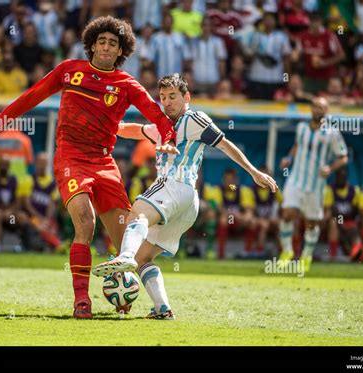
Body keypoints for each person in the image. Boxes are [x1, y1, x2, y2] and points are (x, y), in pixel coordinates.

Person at [0, 16, 178, 320]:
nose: (107, 47)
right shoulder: (70, 71)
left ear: (120, 51)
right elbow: (32, 96)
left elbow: (158, 116)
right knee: (85, 222)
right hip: (71, 158)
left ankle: (130, 295)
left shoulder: (127, 85)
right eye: (103, 41)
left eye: (113, 43)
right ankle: (82, 301)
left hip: (105, 163)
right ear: (92, 44)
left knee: (126, 246)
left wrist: (169, 138)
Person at [92, 73, 277, 319]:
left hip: (175, 185)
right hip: (187, 205)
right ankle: (163, 309)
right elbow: (136, 130)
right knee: (144, 258)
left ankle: (124, 256)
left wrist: (253, 171)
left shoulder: (193, 119)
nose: (167, 102)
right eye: (163, 98)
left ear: (186, 97)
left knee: (137, 211)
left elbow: (225, 144)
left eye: (173, 97)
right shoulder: (162, 125)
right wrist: (107, 126)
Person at [278, 97, 348, 272]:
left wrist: (330, 168)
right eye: (316, 106)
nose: (318, 110)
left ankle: (306, 256)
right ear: (311, 109)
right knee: (287, 214)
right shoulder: (301, 128)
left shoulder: (332, 133)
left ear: (327, 111)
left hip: (316, 184)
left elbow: (343, 156)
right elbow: (297, 145)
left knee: (312, 223)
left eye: (322, 107)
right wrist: (288, 158)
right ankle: (287, 252)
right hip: (295, 179)